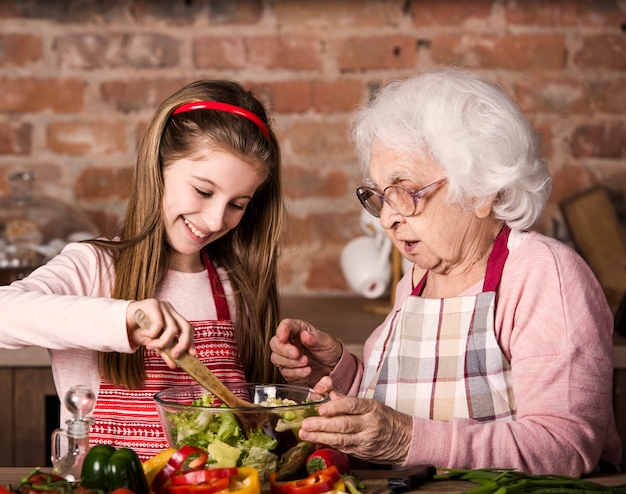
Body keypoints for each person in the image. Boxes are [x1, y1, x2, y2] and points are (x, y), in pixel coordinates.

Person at [270, 69, 622, 476]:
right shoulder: (416, 282)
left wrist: (404, 440)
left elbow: (565, 448)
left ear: (482, 190)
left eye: (405, 192)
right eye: (381, 196)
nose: (387, 218)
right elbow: (411, 403)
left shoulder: (543, 275)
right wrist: (341, 374)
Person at [0, 79, 284, 459]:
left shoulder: (235, 287)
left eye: (238, 203)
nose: (216, 219)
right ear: (158, 169)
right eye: (202, 191)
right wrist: (126, 317)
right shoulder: (94, 269)